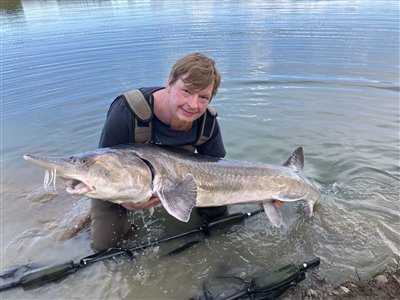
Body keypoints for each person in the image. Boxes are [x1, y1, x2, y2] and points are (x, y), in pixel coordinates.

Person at [91, 53, 228, 251]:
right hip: (125, 182)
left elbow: (218, 170)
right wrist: (125, 201)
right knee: (105, 246)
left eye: (203, 97)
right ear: (170, 83)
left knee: (220, 221)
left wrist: (265, 191)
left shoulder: (207, 122)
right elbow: (104, 166)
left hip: (179, 178)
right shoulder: (126, 111)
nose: (193, 104)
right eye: (187, 91)